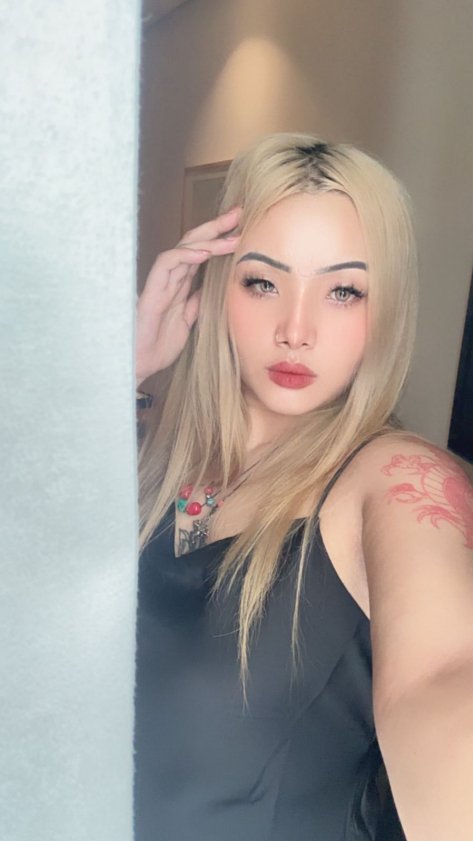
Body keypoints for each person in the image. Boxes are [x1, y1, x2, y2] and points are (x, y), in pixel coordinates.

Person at [133, 133, 473, 841]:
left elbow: (444, 680)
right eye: (263, 282)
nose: (296, 329)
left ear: (386, 308)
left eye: (343, 291)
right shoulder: (157, 470)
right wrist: (121, 370)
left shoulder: (395, 482)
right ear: (214, 287)